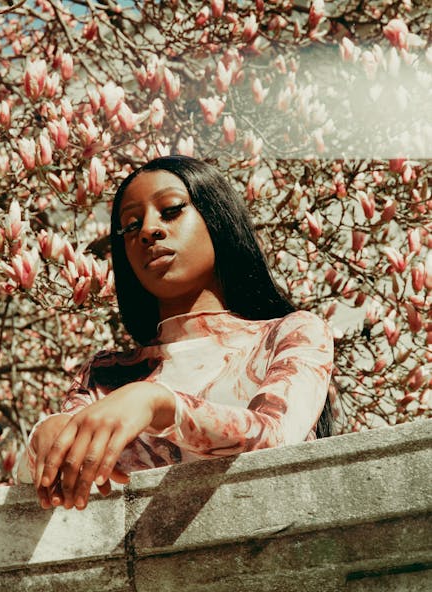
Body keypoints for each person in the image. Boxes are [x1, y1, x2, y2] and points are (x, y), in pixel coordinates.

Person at [17, 155, 334, 511]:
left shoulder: (290, 335)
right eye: (131, 225)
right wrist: (45, 435)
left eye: (170, 210)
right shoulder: (105, 376)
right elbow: (62, 479)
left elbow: (278, 436)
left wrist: (162, 406)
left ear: (218, 220)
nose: (149, 230)